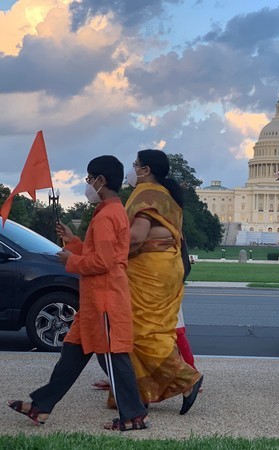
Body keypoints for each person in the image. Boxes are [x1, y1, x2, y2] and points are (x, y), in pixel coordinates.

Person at [7, 155, 149, 431]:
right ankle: (41, 407)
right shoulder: (109, 210)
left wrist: (69, 261)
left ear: (101, 181)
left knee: (115, 360)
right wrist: (72, 242)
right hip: (95, 301)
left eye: (88, 179)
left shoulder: (108, 215)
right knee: (70, 357)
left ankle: (134, 416)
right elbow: (99, 253)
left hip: (105, 300)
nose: (87, 184)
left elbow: (102, 263)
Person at [122, 149, 201, 415]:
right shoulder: (164, 195)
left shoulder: (148, 195)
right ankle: (136, 393)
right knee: (151, 329)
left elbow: (135, 237)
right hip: (164, 267)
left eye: (135, 165)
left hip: (150, 268)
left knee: (142, 331)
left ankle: (186, 379)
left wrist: (105, 252)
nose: (132, 169)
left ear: (146, 170)